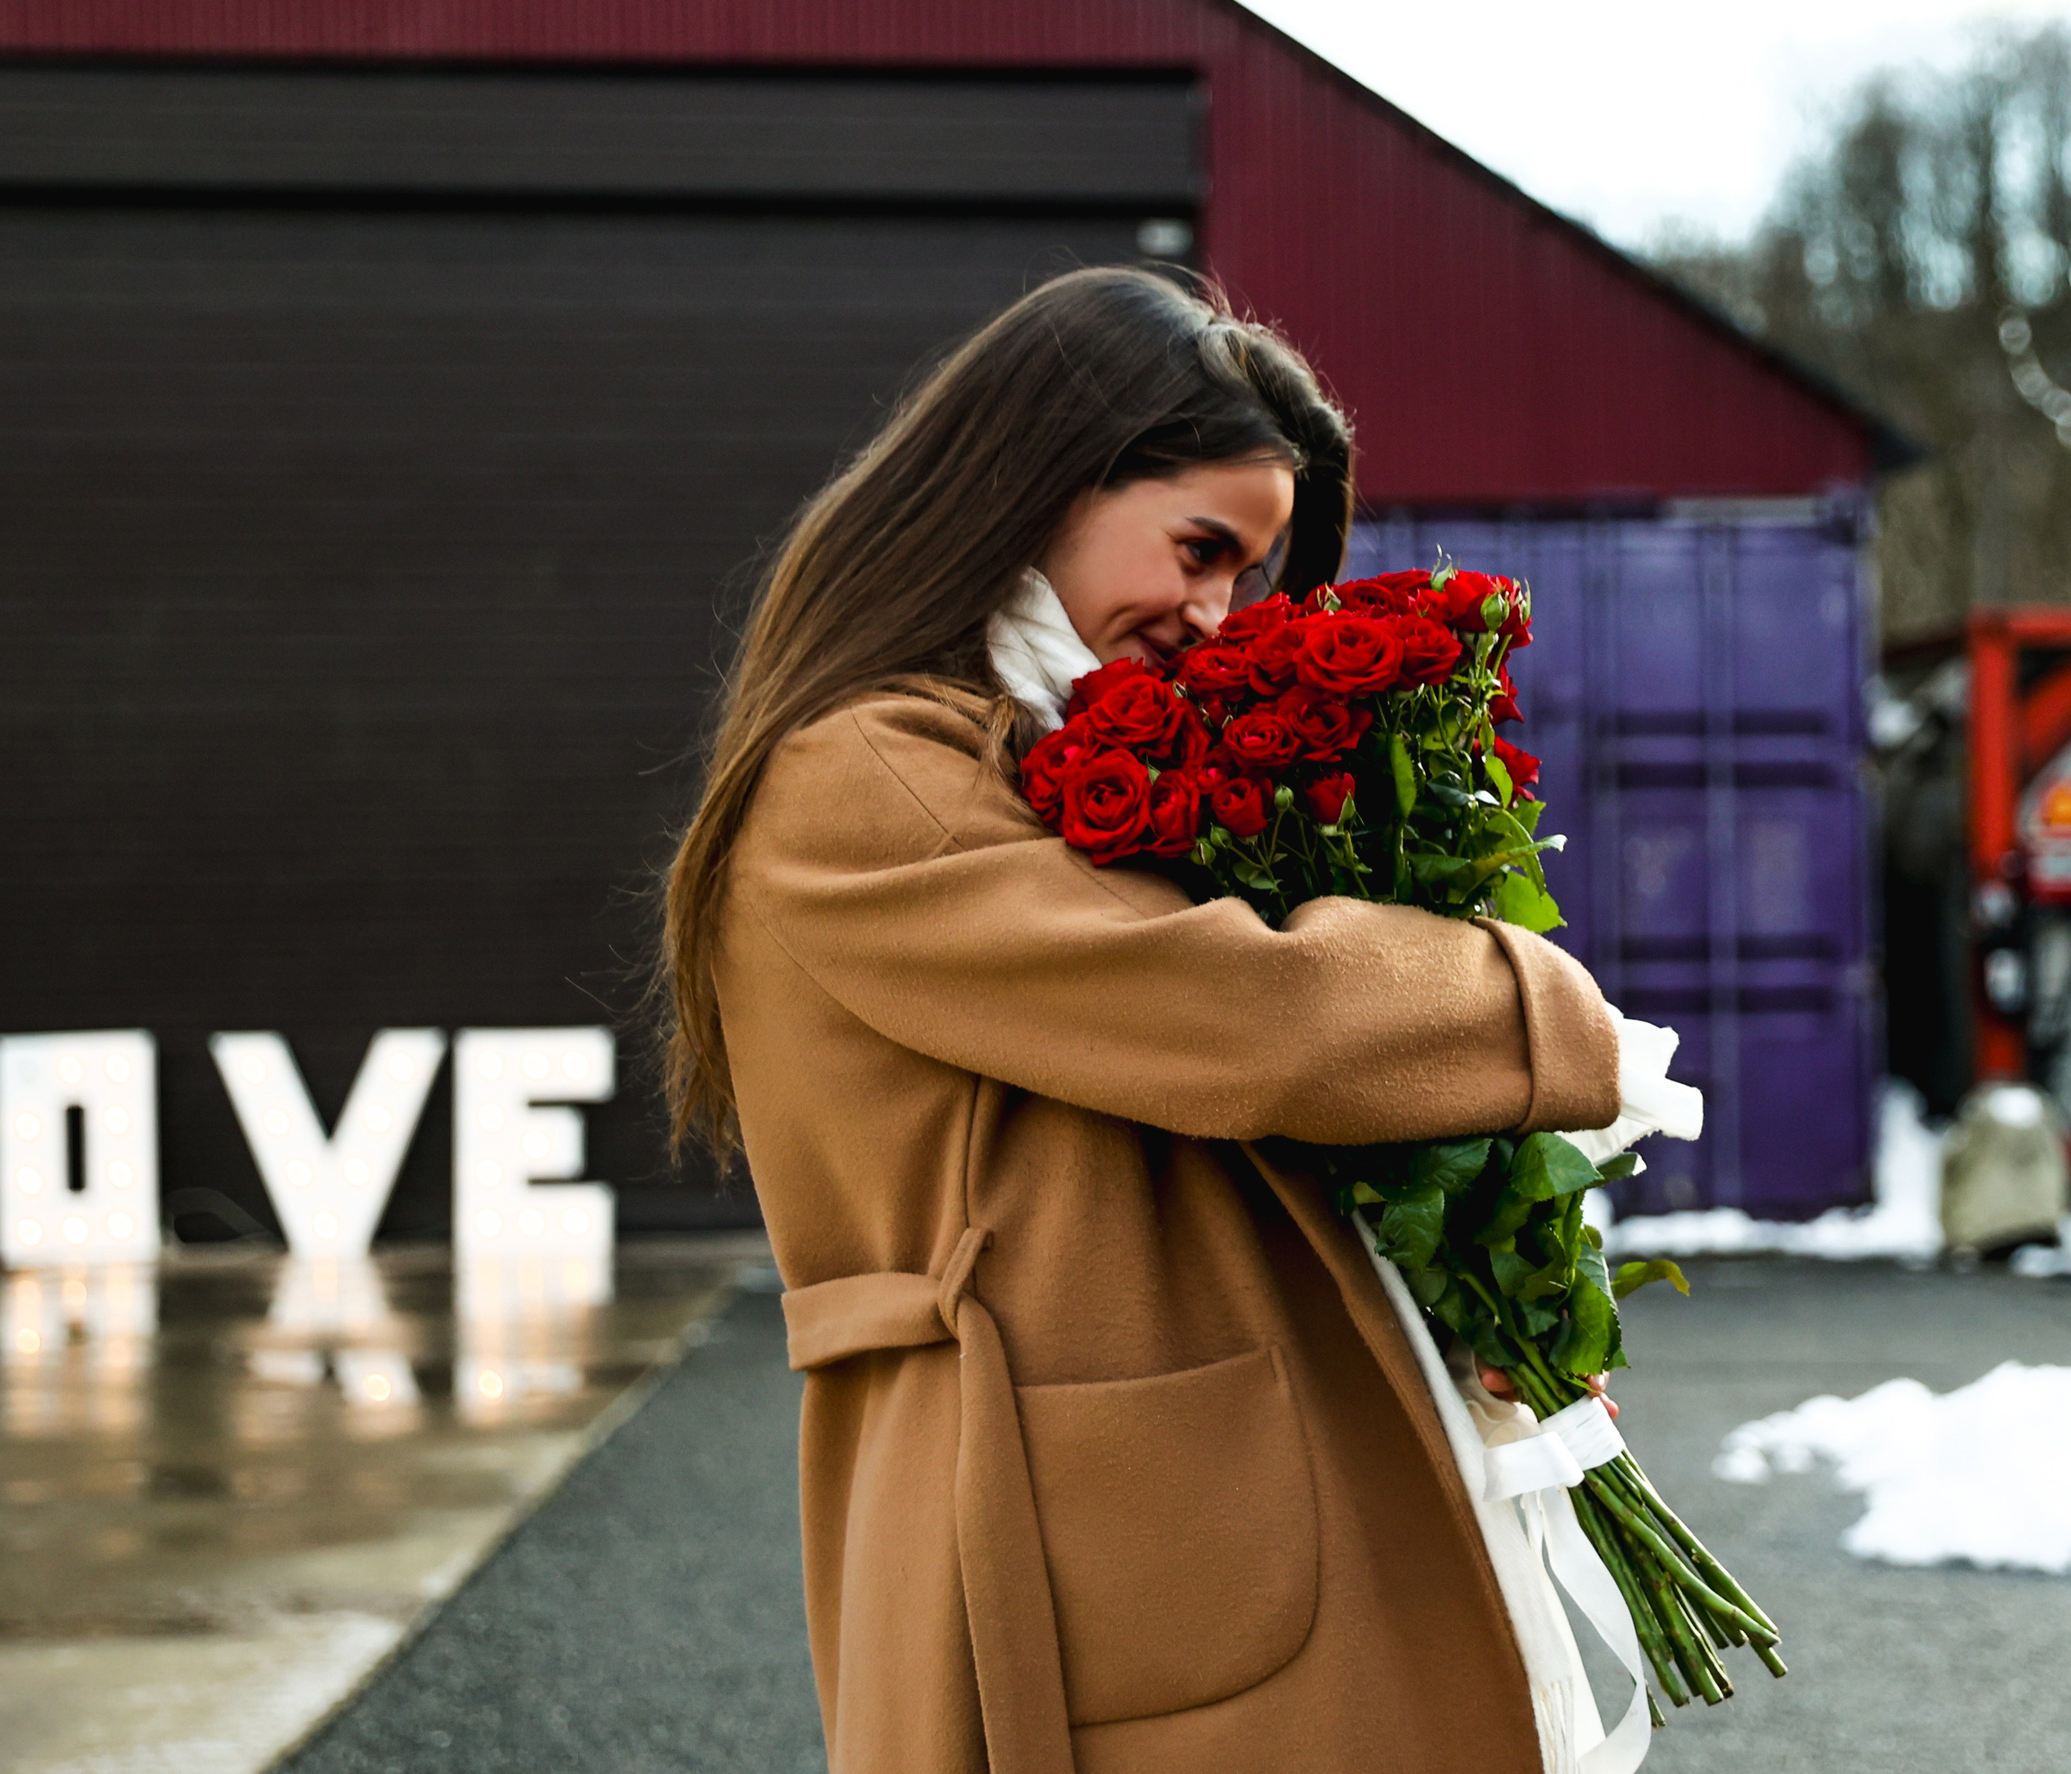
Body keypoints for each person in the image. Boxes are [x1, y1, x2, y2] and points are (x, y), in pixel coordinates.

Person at [660, 266, 1622, 1774]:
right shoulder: (870, 773)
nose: (1214, 611)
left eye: (1247, 575)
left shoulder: (1031, 744)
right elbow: (1253, 1017)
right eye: (1199, 546)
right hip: (1067, 1525)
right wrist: (1539, 1007)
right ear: (1038, 479)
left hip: (1159, 1507)